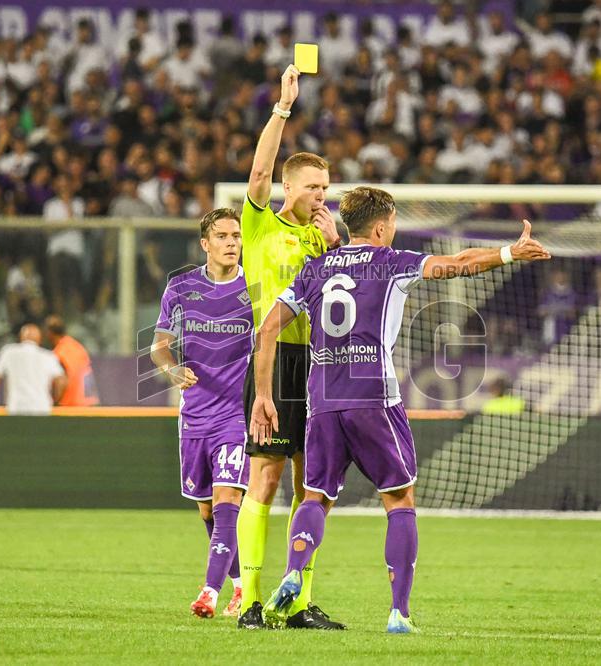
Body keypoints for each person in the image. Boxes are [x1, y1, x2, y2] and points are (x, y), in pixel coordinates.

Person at [250, 187, 550, 632]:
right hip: (374, 397)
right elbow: (459, 264)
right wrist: (508, 252)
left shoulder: (314, 268)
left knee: (315, 496)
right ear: (380, 226)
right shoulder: (391, 262)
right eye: (391, 224)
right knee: (399, 500)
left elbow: (268, 329)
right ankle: (399, 612)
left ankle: (294, 570)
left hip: (323, 399)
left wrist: (261, 396)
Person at [236, 64, 345, 631]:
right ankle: (250, 600)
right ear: (288, 188)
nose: (320, 196)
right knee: (268, 477)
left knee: (312, 485)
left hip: (319, 362)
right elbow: (257, 167)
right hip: (272, 356)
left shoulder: (323, 236)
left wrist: (333, 245)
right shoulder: (259, 225)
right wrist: (283, 106)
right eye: (311, 188)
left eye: (326, 189)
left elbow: (341, 294)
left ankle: (297, 599)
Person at [150, 208, 252, 619]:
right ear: (205, 244)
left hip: (237, 415)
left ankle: (208, 592)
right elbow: (159, 344)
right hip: (195, 415)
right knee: (208, 510)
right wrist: (171, 368)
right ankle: (242, 586)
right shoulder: (181, 287)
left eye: (236, 235)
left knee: (228, 502)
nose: (231, 242)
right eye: (223, 236)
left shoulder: (255, 288)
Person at [0, 324, 66, 416]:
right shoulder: (48, 356)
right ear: (39, 339)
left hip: (16, 409)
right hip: (41, 409)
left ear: (21, 338)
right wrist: (55, 401)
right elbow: (61, 382)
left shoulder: (8, 352)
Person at [44, 315, 99, 407]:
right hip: (89, 402)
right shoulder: (77, 346)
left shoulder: (58, 354)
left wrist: (54, 403)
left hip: (71, 404)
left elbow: (61, 382)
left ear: (49, 333)